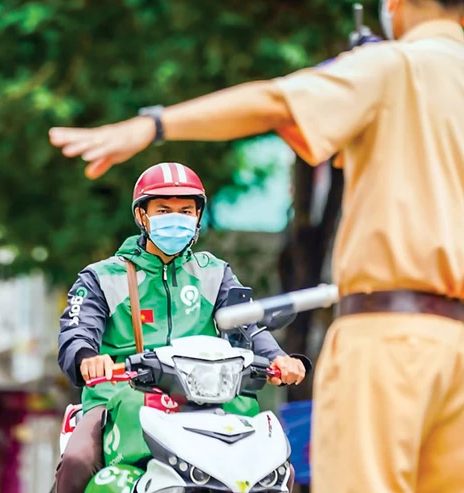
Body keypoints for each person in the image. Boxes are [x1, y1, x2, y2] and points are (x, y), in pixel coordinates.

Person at [48, 0, 464, 491]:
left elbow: (278, 102)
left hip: (390, 339)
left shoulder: (391, 66)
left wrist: (153, 124)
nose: (175, 218)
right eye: (163, 208)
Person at [53, 162, 307, 493]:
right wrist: (87, 357)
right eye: (163, 209)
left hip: (208, 400)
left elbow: (248, 324)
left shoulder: (214, 273)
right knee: (78, 462)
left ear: (198, 216)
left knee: (276, 468)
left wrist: (277, 358)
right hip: (120, 397)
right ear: (142, 216)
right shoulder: (103, 276)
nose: (176, 218)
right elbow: (77, 329)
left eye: (185, 210)